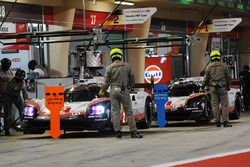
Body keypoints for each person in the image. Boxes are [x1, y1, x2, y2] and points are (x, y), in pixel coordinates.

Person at [98, 48, 142, 138]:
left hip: (114, 91)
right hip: (124, 90)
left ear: (112, 57)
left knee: (115, 112)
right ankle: (133, 132)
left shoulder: (109, 68)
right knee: (128, 112)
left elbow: (106, 82)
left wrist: (102, 91)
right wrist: (130, 87)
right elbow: (132, 78)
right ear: (120, 56)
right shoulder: (127, 66)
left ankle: (118, 132)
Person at [203, 50, 232, 128]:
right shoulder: (224, 66)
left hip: (212, 88)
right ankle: (225, 122)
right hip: (222, 87)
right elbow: (228, 77)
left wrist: (202, 86)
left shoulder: (208, 67)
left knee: (215, 105)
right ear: (219, 57)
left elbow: (206, 79)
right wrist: (229, 86)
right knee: (224, 105)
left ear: (211, 57)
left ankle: (217, 122)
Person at [4, 69, 29, 135]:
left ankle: (24, 127)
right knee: (8, 114)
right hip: (8, 97)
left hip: (17, 97)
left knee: (23, 112)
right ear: (16, 76)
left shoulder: (23, 82)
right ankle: (7, 129)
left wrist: (26, 101)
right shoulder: (10, 81)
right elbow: (15, 88)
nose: (19, 78)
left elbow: (24, 92)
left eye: (21, 77)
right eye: (18, 76)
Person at [0, 58, 14, 135]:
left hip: (7, 95)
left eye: (9, 65)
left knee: (7, 113)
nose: (8, 66)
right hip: (0, 94)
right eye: (6, 65)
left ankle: (7, 129)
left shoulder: (10, 71)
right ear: (2, 64)